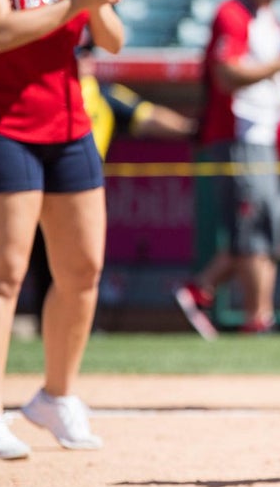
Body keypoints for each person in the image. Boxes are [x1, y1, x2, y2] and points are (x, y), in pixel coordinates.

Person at [0, 0, 127, 459]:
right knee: (2, 276)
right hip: (2, 126)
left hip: (69, 128)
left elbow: (112, 40)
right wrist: (76, 1)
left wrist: (100, 1)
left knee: (84, 270)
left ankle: (56, 396)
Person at [173, 0, 280, 340]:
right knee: (254, 226)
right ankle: (256, 317)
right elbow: (228, 75)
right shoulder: (232, 14)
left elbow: (272, 73)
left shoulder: (266, 17)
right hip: (239, 131)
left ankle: (202, 291)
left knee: (263, 223)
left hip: (263, 130)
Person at [25, 39, 198, 330]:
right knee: (23, 267)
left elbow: (147, 114)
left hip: (77, 191)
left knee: (77, 268)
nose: (83, 60)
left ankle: (72, 334)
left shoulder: (102, 94)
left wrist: (194, 129)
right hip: (31, 189)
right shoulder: (39, 89)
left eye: (86, 54)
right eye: (76, 54)